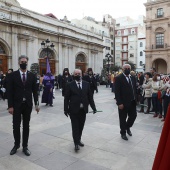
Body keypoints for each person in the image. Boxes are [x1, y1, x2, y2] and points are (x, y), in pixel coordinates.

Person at [7, 55, 39, 156]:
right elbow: (10, 92)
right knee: (16, 126)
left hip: (28, 105)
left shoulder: (32, 75)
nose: (23, 63)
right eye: (22, 62)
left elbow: (35, 91)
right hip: (16, 105)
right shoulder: (13, 75)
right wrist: (10, 106)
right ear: (19, 63)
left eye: (25, 61)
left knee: (26, 126)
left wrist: (37, 104)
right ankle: (16, 145)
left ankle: (25, 146)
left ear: (27, 62)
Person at [64, 69, 97, 151]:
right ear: (73, 75)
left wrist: (93, 108)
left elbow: (90, 97)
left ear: (82, 74)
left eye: (79, 73)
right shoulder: (70, 84)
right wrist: (65, 109)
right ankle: (76, 143)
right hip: (73, 109)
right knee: (75, 126)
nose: (77, 75)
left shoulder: (86, 84)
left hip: (83, 109)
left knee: (81, 126)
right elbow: (66, 98)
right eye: (76, 74)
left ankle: (78, 139)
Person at [115, 64, 137, 141]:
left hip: (132, 102)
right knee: (122, 118)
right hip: (123, 103)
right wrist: (119, 103)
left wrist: (137, 98)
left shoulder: (133, 77)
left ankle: (127, 127)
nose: (127, 69)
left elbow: (134, 89)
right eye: (126, 68)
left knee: (133, 116)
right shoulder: (118, 78)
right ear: (122, 69)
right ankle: (123, 132)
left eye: (129, 68)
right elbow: (117, 92)